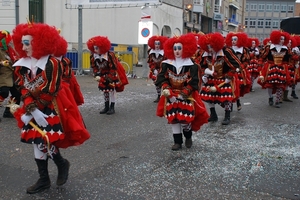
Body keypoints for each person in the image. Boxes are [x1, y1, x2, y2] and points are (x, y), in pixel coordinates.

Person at [11, 22, 90, 194]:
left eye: (27, 43)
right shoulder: (23, 64)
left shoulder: (52, 63)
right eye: (22, 42)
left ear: (39, 42)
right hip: (33, 107)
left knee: (46, 140)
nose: (23, 47)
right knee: (36, 141)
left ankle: (60, 164)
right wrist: (31, 109)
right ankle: (45, 178)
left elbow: (50, 90)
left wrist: (35, 110)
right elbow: (22, 86)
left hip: (49, 105)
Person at [155, 33, 209, 150]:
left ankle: (188, 137)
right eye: (174, 48)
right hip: (171, 95)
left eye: (179, 48)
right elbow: (161, 78)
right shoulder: (166, 64)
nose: (177, 51)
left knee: (185, 120)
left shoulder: (192, 65)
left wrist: (183, 93)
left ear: (185, 48)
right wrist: (166, 89)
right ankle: (177, 142)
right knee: (173, 120)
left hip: (186, 95)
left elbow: (194, 82)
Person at [198, 32, 242, 125]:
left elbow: (236, 65)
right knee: (208, 96)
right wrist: (206, 74)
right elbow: (201, 66)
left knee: (226, 97)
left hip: (224, 78)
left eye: (211, 46)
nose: (210, 49)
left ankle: (227, 116)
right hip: (211, 78)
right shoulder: (206, 54)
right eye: (208, 47)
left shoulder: (226, 52)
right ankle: (213, 114)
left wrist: (229, 76)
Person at [87, 36, 129, 114]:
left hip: (111, 72)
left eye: (97, 48)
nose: (95, 50)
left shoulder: (110, 55)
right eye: (94, 48)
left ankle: (112, 107)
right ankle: (106, 106)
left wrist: (109, 77)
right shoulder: (93, 56)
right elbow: (94, 67)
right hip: (102, 73)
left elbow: (113, 67)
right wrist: (96, 74)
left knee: (112, 90)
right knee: (105, 90)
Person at [258, 30, 292, 108]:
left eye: (283, 39)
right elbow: (262, 57)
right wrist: (260, 65)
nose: (282, 40)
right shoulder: (269, 47)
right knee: (270, 85)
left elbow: (289, 59)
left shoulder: (286, 49)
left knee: (280, 85)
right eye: (280, 39)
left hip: (281, 68)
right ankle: (270, 97)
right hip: (270, 68)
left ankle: (277, 101)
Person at [225, 32, 251, 111]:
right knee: (231, 87)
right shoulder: (228, 49)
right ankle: (233, 102)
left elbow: (247, 61)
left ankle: (237, 100)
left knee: (238, 87)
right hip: (230, 71)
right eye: (232, 39)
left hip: (240, 72)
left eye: (235, 39)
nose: (233, 41)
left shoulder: (244, 50)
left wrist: (241, 67)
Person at [0, 30, 20, 119]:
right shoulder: (1, 51)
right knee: (4, 92)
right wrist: (1, 63)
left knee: (17, 94)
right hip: (3, 75)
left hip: (12, 75)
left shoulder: (10, 50)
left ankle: (8, 111)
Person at [147, 35, 168, 102]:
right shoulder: (151, 52)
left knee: (164, 82)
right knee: (156, 82)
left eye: (158, 44)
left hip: (163, 70)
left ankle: (165, 95)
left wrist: (162, 70)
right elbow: (150, 62)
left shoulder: (164, 52)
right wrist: (153, 69)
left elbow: (166, 62)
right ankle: (159, 95)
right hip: (155, 70)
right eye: (156, 44)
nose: (157, 45)